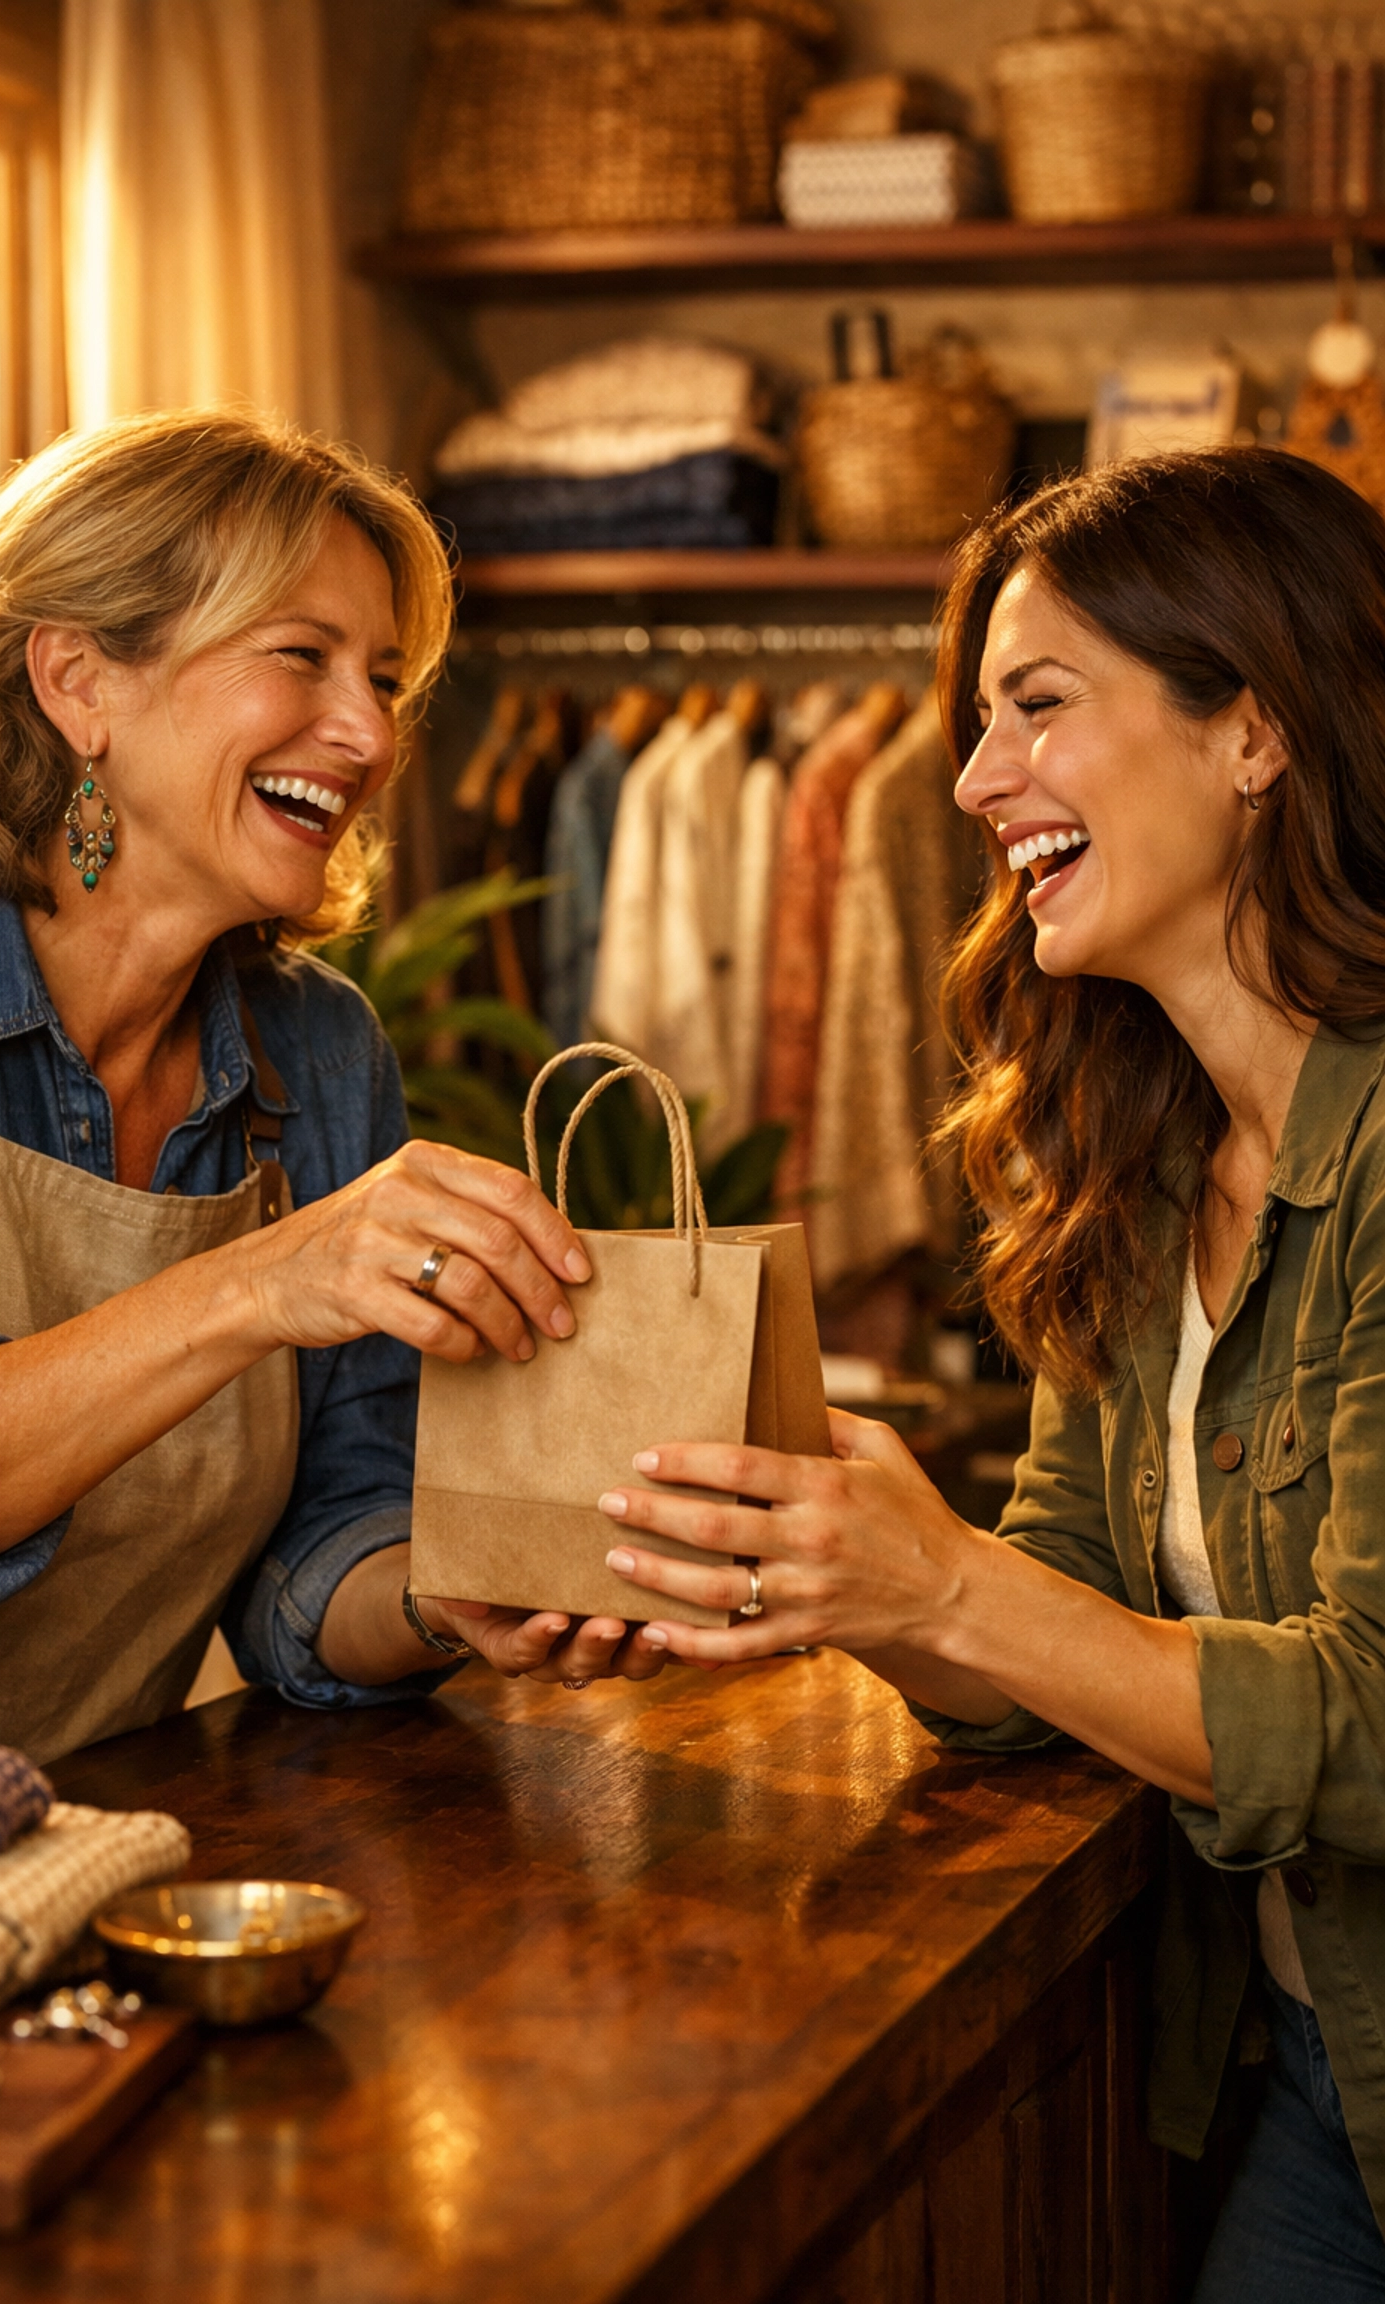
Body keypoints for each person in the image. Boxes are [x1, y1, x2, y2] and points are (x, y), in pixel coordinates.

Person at [597, 448, 1385, 2298]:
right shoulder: (1138, 1153)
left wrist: (942, 1577)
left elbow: (1370, 1724)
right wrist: (830, 1570)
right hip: (1311, 2082)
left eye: (1038, 706)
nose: (967, 781)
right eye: (974, 726)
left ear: (1255, 730)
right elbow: (1066, 1619)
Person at [0, 408, 660, 1767]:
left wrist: (446, 1593)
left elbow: (315, 1562)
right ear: (79, 682)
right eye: (302, 657)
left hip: (84, 1869)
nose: (366, 734)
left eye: (385, 680)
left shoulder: (321, 1054)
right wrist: (259, 1282)